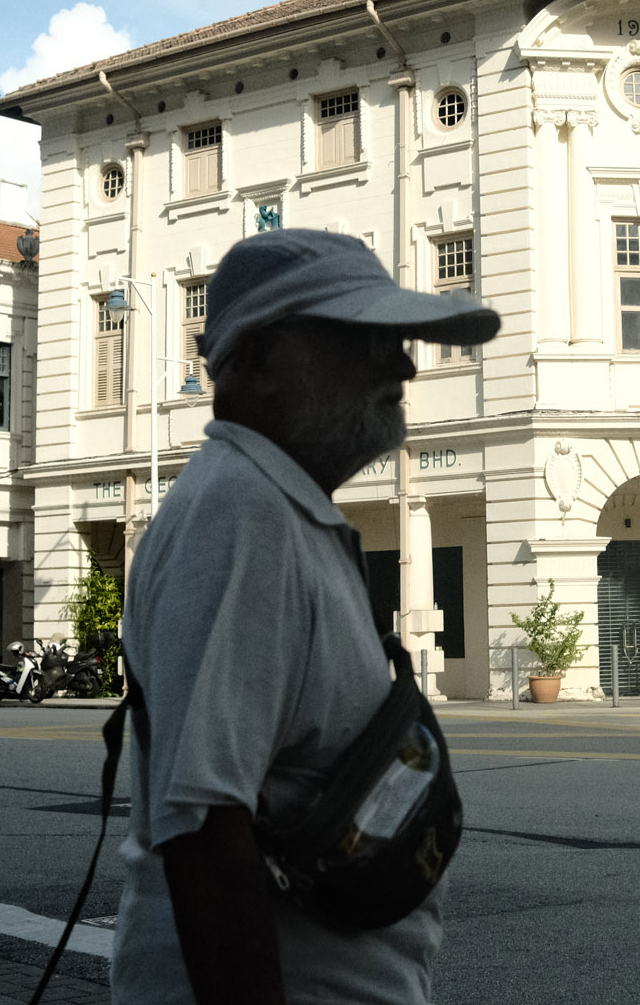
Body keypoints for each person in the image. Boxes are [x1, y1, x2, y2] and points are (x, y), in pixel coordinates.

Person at [112, 229, 499, 1005]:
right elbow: (203, 828)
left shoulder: (277, 510)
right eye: (364, 338)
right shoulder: (241, 515)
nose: (402, 365)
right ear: (258, 361)